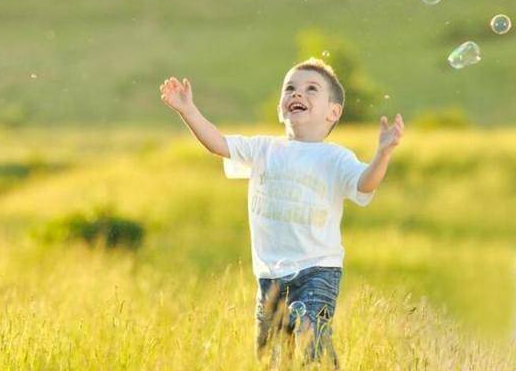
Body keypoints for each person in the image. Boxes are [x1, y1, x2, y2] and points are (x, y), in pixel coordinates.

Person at [159, 57, 404, 368]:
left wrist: (382, 154)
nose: (297, 94)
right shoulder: (264, 149)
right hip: (269, 275)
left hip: (318, 270)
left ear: (333, 112)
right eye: (290, 88)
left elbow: (365, 184)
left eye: (311, 89)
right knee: (272, 357)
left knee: (311, 340)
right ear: (280, 107)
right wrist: (188, 110)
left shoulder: (335, 157)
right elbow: (218, 143)